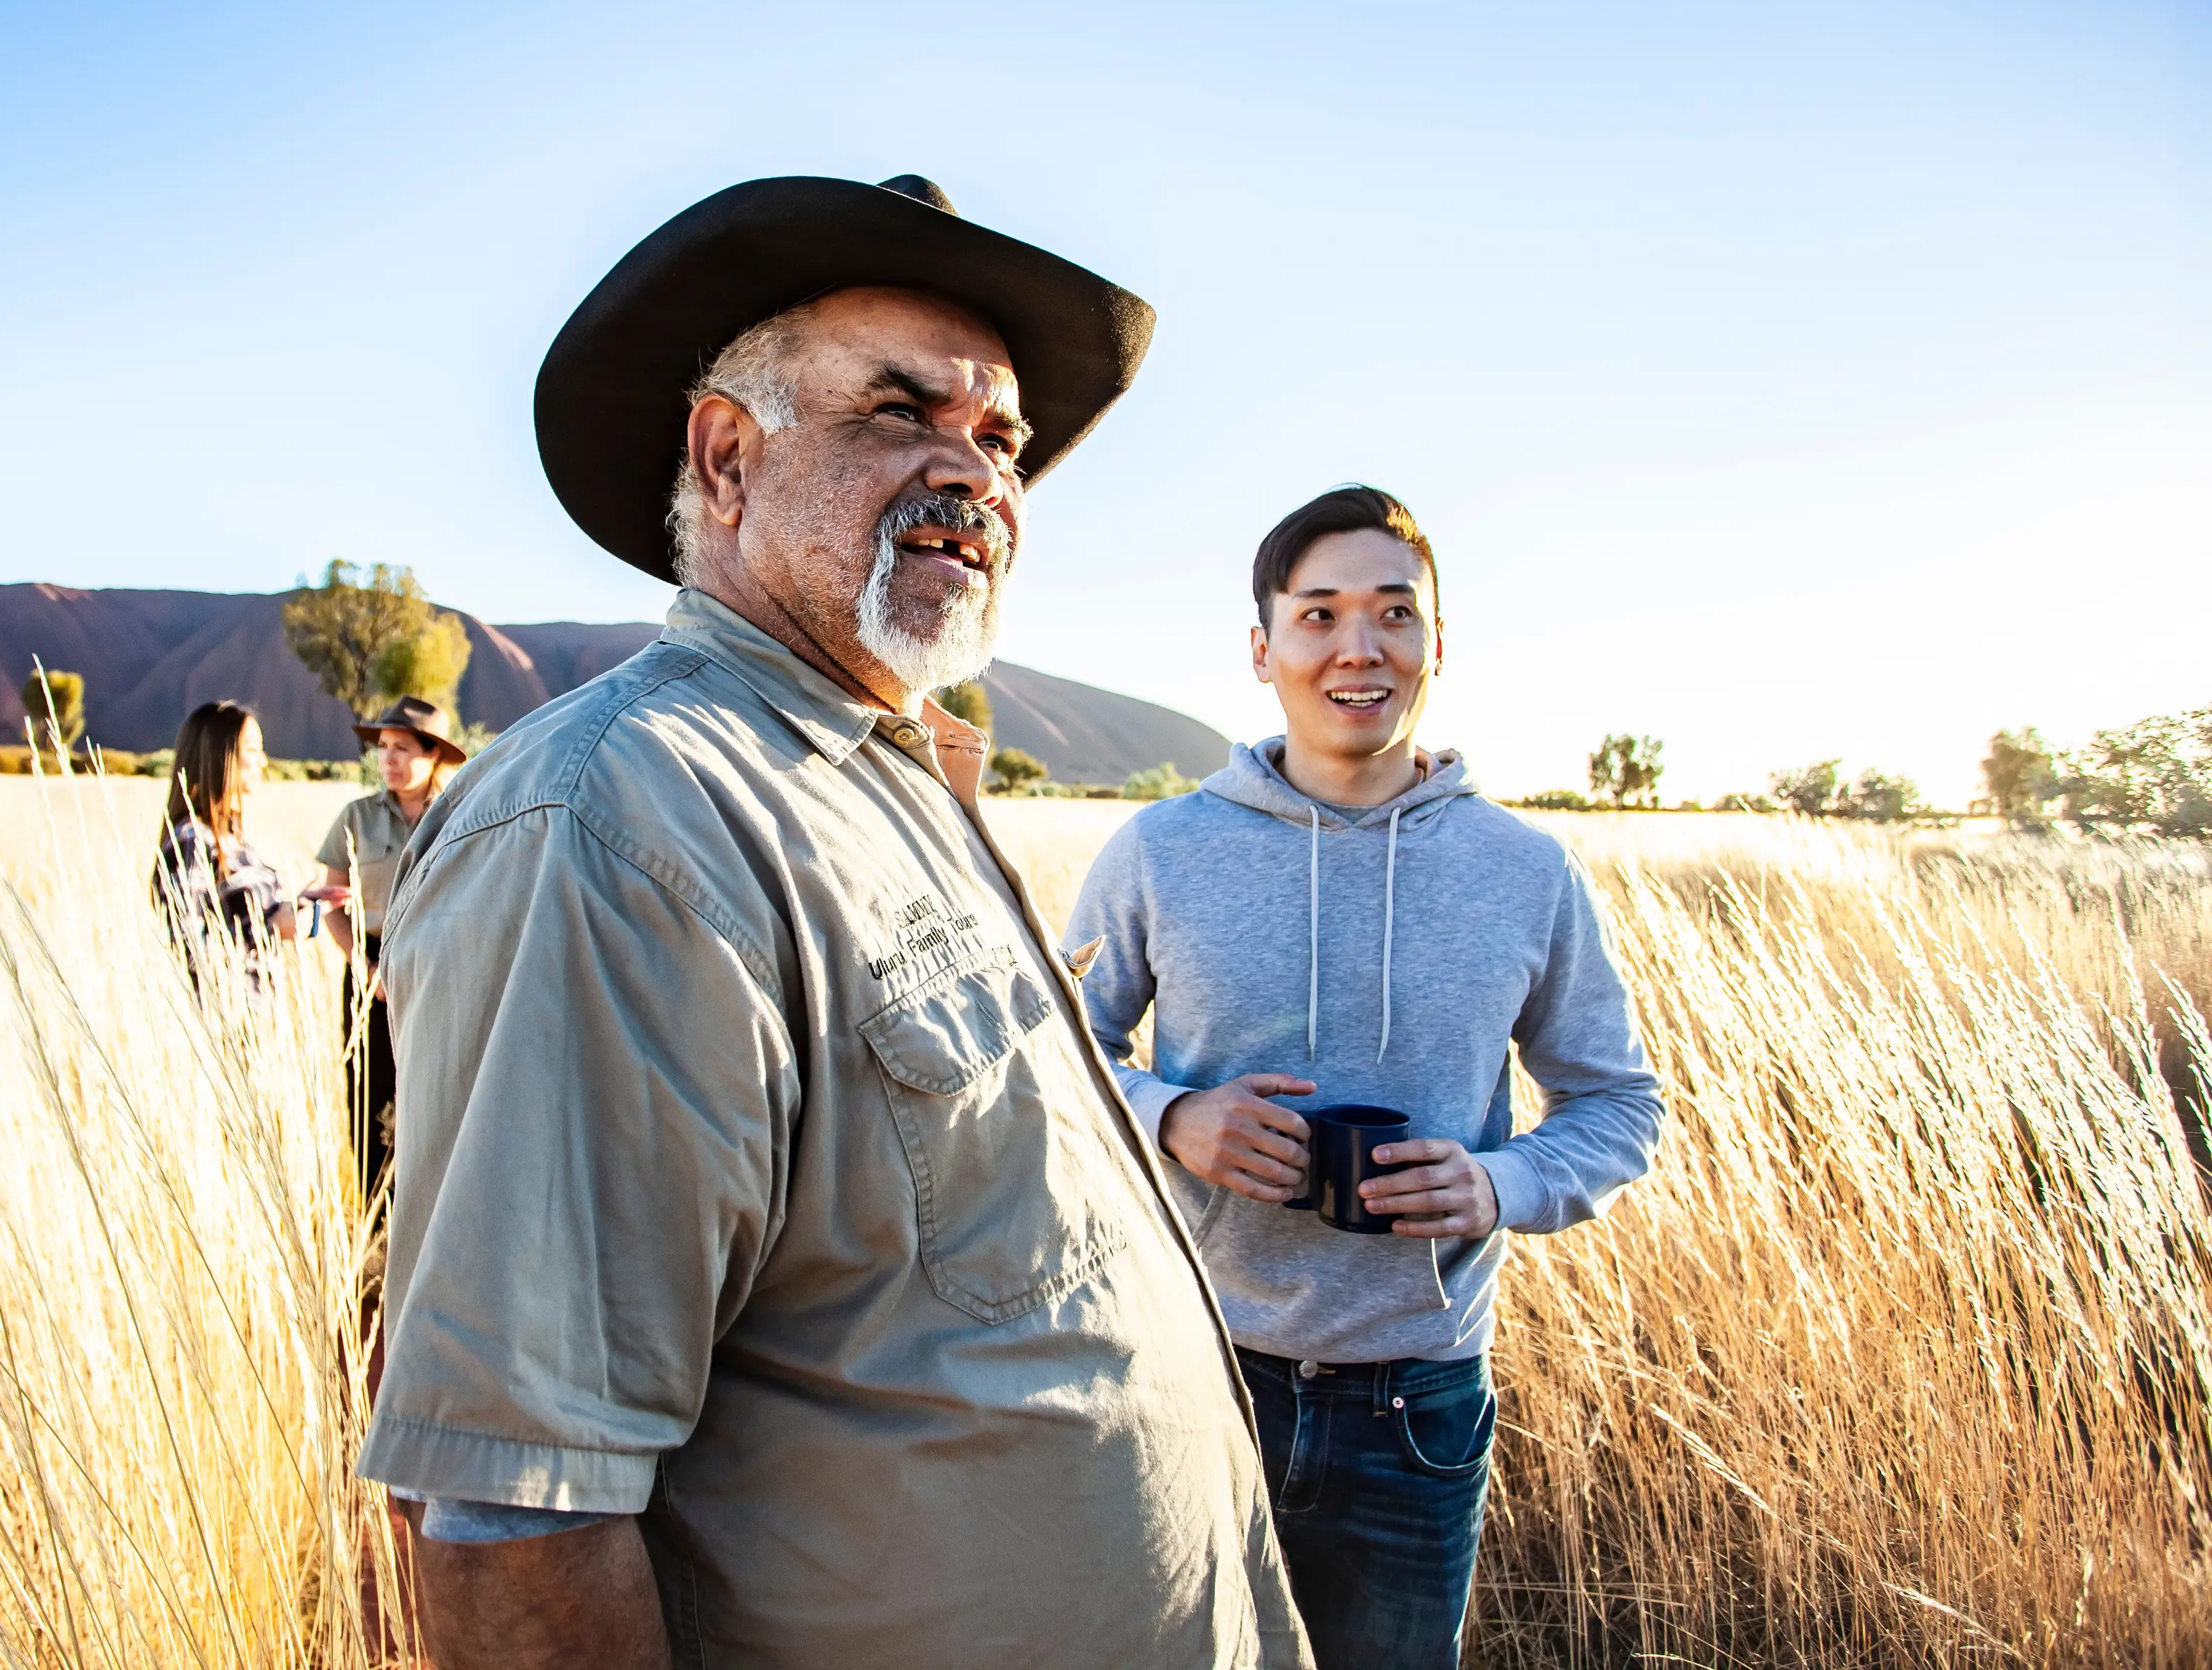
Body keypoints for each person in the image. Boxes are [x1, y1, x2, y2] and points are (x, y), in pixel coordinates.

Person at [358, 174, 1308, 1670]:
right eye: (897, 410)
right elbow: (511, 1500)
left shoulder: (888, 770)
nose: (976, 474)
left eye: (1001, 439)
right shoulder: (621, 820)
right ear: (727, 458)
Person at [1063, 485, 1665, 1669]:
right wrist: (1171, 1116)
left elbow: (1618, 1106)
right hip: (1196, 1378)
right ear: (1264, 647)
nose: (1359, 648)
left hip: (1419, 1409)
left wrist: (1497, 1184)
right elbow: (1046, 1058)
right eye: (1320, 614)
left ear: (1437, 644)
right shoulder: (1158, 852)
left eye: (1395, 614)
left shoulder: (1525, 871)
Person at [312, 696, 467, 1197]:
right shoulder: (356, 818)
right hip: (371, 973)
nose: (389, 760)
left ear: (433, 755)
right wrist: (361, 966)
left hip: (440, 975)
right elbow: (332, 903)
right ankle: (376, 1229)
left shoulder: (462, 814)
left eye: (402, 748)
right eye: (383, 748)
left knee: (437, 1101)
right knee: (367, 1101)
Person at [151, 699, 296, 990]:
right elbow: (188, 946)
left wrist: (304, 905)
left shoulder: (233, 839)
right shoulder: (191, 842)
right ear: (221, 755)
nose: (263, 762)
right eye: (253, 750)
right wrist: (272, 928)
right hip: (227, 1020)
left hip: (258, 1018)